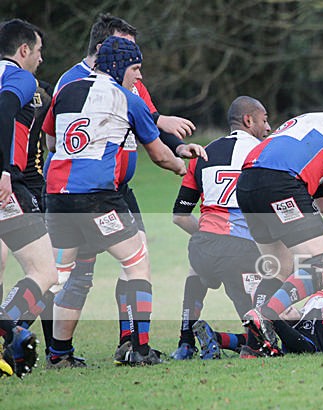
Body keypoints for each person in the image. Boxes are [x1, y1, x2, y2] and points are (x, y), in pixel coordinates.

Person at [51, 13, 206, 361]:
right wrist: (181, 165)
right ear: (107, 49)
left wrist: (178, 147)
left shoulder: (128, 83)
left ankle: (123, 339)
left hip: (105, 190)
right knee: (108, 266)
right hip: (98, 193)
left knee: (117, 260)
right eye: (128, 52)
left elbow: (148, 122)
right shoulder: (70, 81)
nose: (137, 65)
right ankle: (135, 347)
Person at [237, 110, 323, 356]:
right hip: (280, 181)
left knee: (278, 269)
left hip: (248, 183)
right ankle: (267, 316)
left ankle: (254, 346)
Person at [170, 96, 271, 360]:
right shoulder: (264, 153)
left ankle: (185, 343)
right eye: (264, 120)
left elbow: (180, 216)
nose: (269, 127)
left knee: (196, 268)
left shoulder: (202, 153)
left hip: (203, 248)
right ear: (249, 120)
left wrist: (209, 235)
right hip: (243, 254)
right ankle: (236, 340)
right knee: (263, 336)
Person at [0, 19, 58, 378]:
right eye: (37, 51)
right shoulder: (19, 77)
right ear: (23, 50)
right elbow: (5, 109)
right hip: (9, 186)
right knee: (45, 271)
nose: (39, 59)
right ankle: (6, 328)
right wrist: (3, 169)